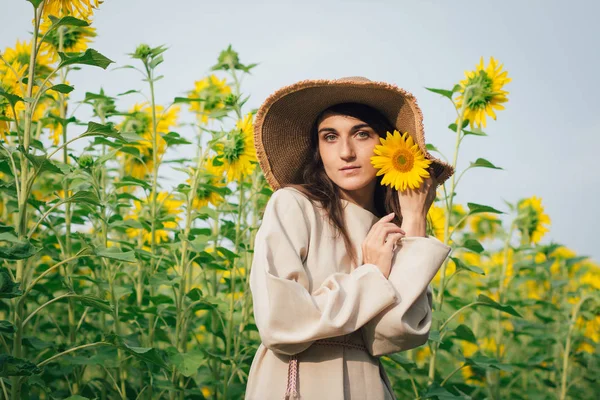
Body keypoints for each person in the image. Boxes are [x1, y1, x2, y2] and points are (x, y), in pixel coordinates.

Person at [245, 77, 455, 399]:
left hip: (366, 384)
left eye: (361, 134)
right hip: (297, 379)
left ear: (388, 145)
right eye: (330, 137)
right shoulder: (294, 205)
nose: (346, 152)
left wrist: (414, 220)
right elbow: (280, 322)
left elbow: (394, 333)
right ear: (318, 149)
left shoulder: (391, 231)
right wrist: (370, 276)